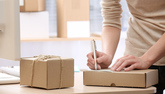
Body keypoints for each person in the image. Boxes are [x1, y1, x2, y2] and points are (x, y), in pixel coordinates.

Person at [86, 0, 165, 94]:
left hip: (144, 58)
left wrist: (147, 59)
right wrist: (108, 55)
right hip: (137, 58)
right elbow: (111, 18)